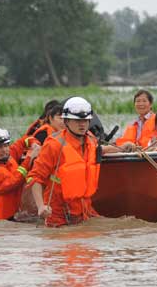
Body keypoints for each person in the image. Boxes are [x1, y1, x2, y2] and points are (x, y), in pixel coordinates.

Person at [28, 97, 108, 227]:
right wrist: (41, 206)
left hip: (84, 210)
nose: (82, 124)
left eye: (85, 120)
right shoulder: (54, 145)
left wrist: (124, 147)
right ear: (66, 121)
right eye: (77, 121)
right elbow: (35, 178)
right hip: (59, 214)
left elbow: (100, 149)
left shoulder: (91, 141)